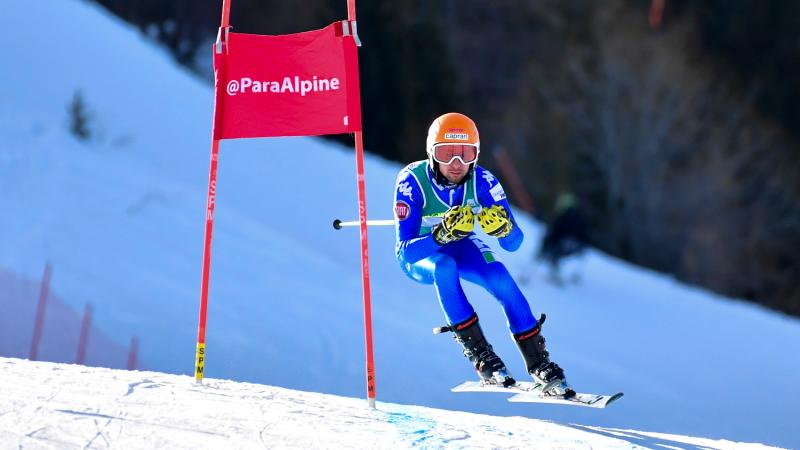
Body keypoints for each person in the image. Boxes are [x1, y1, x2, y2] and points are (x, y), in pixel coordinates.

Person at [393, 112, 572, 397]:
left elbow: (515, 243)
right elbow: (406, 251)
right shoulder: (411, 181)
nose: (456, 164)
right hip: (424, 254)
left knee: (498, 275)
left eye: (465, 154)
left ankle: (539, 363)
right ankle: (481, 356)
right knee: (444, 267)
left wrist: (503, 228)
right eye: (446, 153)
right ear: (431, 154)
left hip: (461, 244)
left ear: (476, 156)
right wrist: (440, 235)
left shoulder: (483, 181)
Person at [538, 193, 589, 284]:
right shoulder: (579, 218)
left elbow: (554, 233)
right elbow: (585, 235)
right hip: (576, 246)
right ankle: (562, 272)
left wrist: (545, 246)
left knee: (553, 253)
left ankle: (554, 273)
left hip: (564, 245)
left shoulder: (562, 218)